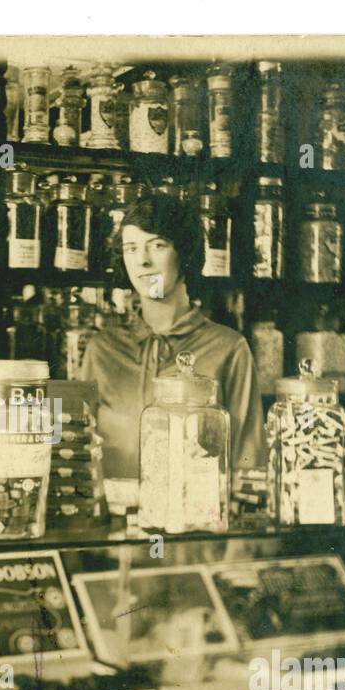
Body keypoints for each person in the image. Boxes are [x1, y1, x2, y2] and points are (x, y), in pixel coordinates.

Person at [78, 193, 264, 480]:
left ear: (185, 253)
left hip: (197, 518)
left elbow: (247, 461)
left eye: (158, 245)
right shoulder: (102, 349)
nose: (142, 261)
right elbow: (80, 448)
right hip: (113, 519)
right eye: (131, 248)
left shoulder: (229, 349)